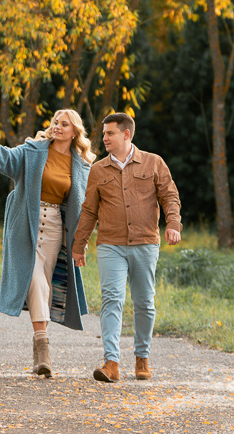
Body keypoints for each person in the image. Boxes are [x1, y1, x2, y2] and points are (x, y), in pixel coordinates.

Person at [0, 109, 95, 377]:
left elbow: (85, 208)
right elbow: (8, 157)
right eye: (55, 122)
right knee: (36, 280)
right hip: (27, 225)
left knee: (45, 286)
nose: (57, 127)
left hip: (56, 228)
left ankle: (39, 348)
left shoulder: (82, 166)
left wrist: (82, 242)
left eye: (64, 124)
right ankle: (43, 347)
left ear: (74, 131)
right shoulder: (33, 151)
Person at [72, 111, 181, 383]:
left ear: (126, 134)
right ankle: (111, 362)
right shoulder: (97, 170)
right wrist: (79, 244)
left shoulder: (154, 163)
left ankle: (142, 357)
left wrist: (173, 224)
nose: (104, 138)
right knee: (112, 299)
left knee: (144, 302)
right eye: (104, 133)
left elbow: (170, 195)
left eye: (109, 133)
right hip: (110, 244)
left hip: (145, 243)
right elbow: (88, 211)